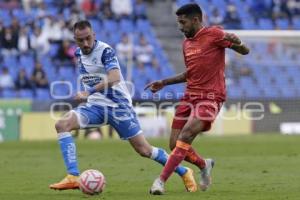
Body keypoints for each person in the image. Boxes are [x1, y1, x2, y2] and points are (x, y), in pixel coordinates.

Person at [49, 20, 197, 192]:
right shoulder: (78, 54)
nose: (86, 43)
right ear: (75, 40)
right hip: (96, 107)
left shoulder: (105, 51)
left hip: (118, 107)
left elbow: (115, 77)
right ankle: (73, 176)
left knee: (144, 149)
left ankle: (184, 171)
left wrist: (89, 91)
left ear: (94, 35)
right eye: (81, 40)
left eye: (88, 38)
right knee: (62, 124)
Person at [145, 3, 249, 195]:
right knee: (174, 144)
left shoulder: (215, 34)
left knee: (186, 135)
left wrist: (239, 43)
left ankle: (160, 181)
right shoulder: (186, 44)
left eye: (183, 22)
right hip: (190, 95)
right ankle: (204, 165)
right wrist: (164, 82)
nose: (180, 27)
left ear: (195, 20)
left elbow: (245, 52)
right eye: (178, 22)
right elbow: (191, 74)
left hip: (211, 97)